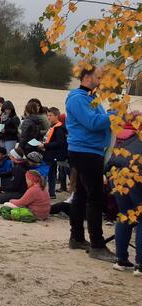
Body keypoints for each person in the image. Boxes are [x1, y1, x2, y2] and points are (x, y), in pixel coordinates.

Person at [66, 65, 115, 262]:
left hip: (89, 150)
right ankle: (97, 245)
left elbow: (96, 120)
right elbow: (93, 123)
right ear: (86, 77)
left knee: (81, 194)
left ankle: (77, 237)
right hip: (85, 150)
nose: (100, 79)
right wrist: (113, 115)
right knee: (96, 197)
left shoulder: (91, 98)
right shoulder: (78, 98)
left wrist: (108, 114)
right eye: (97, 76)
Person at [107, 118, 141, 275]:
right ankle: (140, 265)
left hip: (117, 176)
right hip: (136, 177)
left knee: (125, 215)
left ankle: (121, 259)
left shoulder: (122, 138)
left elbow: (109, 161)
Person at [41, 107, 68, 198]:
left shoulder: (59, 128)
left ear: (57, 116)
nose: (48, 117)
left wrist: (44, 146)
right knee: (51, 174)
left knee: (44, 173)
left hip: (52, 154)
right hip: (50, 153)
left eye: (51, 115)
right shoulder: (53, 126)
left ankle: (43, 193)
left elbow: (60, 142)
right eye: (47, 115)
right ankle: (51, 193)